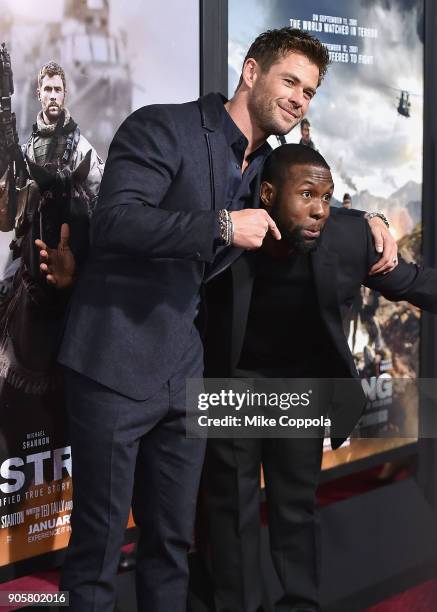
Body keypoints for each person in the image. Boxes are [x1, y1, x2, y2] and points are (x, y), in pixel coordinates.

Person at [38, 28, 396, 612]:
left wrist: (372, 219)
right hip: (113, 365)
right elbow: (118, 221)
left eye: (309, 91)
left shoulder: (265, 169)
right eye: (290, 82)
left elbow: (311, 201)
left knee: (172, 544)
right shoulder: (162, 127)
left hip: (186, 374)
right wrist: (224, 226)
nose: (299, 99)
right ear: (251, 73)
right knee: (99, 551)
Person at [201, 144, 437, 612]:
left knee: (296, 509)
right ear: (267, 194)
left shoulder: (347, 237)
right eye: (306, 194)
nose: (318, 210)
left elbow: (410, 281)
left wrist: (375, 220)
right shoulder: (230, 230)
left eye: (326, 197)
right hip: (233, 381)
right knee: (231, 514)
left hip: (301, 383)